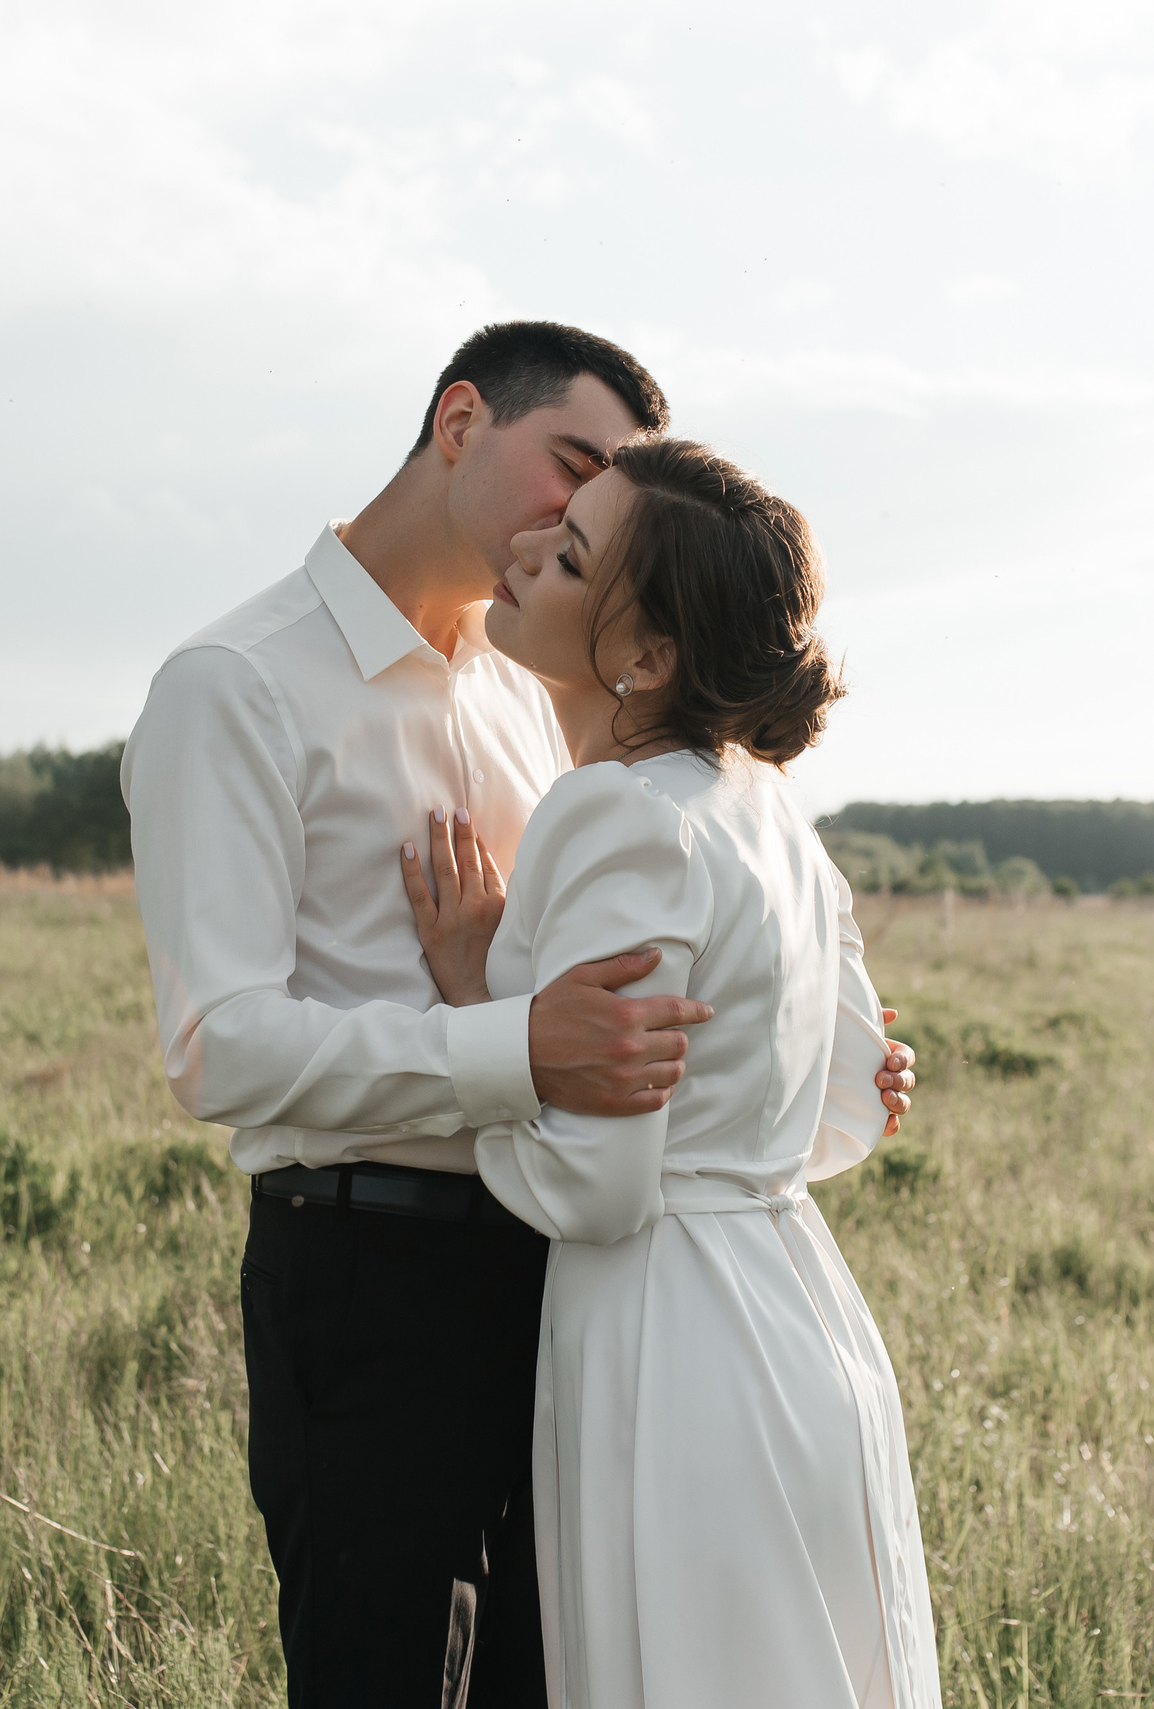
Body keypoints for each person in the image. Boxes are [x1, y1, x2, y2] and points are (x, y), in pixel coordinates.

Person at [120, 323, 918, 1708]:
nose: (579, 511)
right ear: (459, 422)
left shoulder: (537, 685)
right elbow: (219, 1047)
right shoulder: (234, 685)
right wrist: (515, 1040)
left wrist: (763, 1043)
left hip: (576, 1288)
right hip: (376, 1279)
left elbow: (636, 933)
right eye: (573, 465)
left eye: (607, 495)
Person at [400, 438, 940, 1709]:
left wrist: (480, 1001)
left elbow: (593, 1186)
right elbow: (857, 1094)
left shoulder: (614, 813)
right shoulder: (764, 806)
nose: (527, 549)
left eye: (572, 552)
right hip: (803, 1313)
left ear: (645, 659)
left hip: (674, 1346)